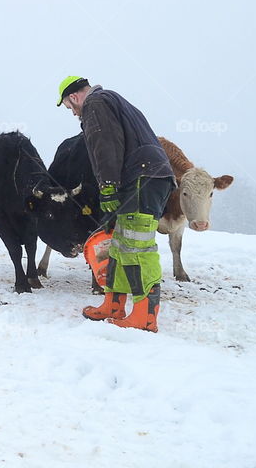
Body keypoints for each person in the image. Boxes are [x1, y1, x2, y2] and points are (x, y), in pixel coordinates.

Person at [57, 76, 175, 332]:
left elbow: (105, 145)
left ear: (74, 97)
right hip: (147, 176)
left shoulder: (95, 104)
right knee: (119, 244)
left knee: (136, 246)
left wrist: (107, 186)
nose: (74, 113)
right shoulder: (115, 101)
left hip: (142, 178)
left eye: (70, 107)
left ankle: (145, 316)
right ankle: (114, 304)